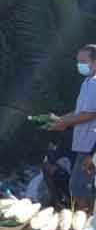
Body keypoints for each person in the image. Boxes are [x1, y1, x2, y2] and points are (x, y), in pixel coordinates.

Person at [48, 44, 96, 211]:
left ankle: (85, 219)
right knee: (78, 185)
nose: (79, 65)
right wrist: (60, 119)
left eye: (83, 61)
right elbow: (79, 111)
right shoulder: (87, 82)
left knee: (79, 187)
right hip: (83, 143)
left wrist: (65, 123)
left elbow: (89, 114)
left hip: (91, 144)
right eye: (78, 61)